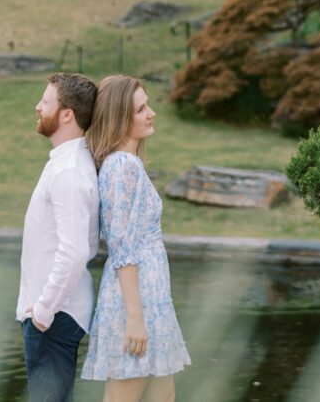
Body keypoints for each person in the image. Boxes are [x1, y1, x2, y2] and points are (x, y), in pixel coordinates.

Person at [81, 75, 190, 402]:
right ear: (119, 118)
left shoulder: (129, 164)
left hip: (152, 300)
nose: (151, 112)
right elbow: (122, 248)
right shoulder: (121, 167)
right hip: (137, 304)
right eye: (141, 109)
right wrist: (135, 318)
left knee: (164, 396)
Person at [17, 72, 100, 402]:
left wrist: (42, 314)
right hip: (53, 316)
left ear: (67, 114)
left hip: (55, 318)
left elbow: (75, 252)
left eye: (46, 101)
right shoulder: (66, 164)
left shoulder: (69, 172)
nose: (38, 106)